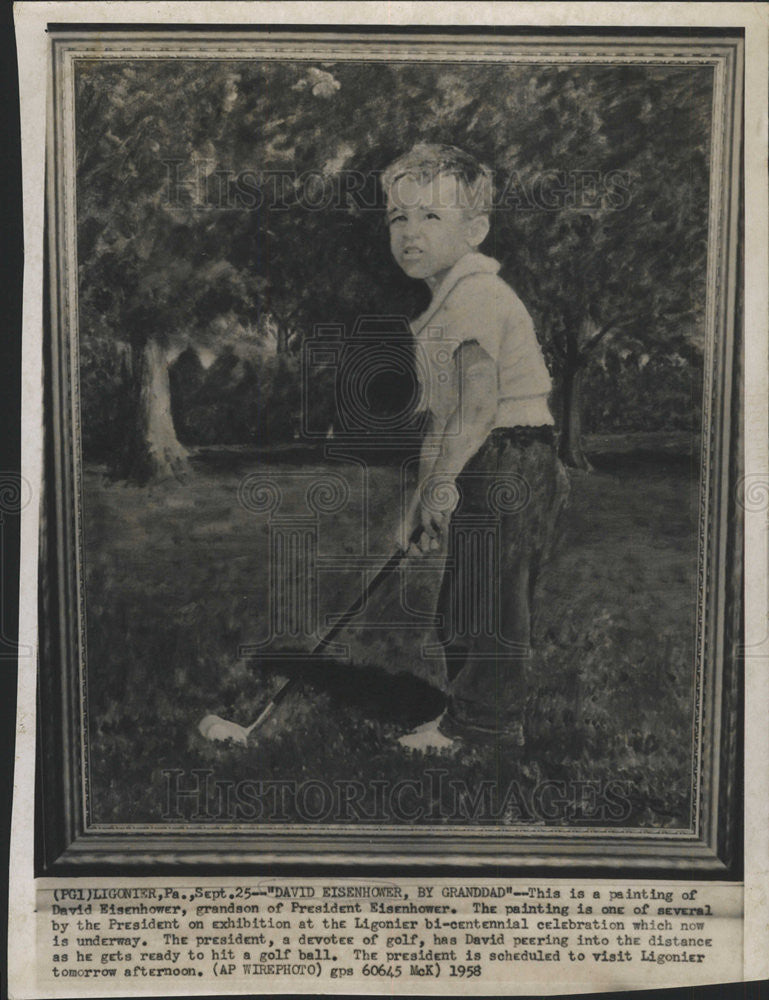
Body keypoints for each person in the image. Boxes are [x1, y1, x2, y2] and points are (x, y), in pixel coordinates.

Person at [381, 143, 568, 751]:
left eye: (431, 217)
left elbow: (481, 406)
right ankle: (465, 717)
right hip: (485, 457)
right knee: (464, 596)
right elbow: (445, 415)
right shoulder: (444, 302)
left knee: (492, 599)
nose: (411, 234)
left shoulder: (477, 297)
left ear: (476, 228)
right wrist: (425, 492)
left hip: (513, 456)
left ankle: (484, 724)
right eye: (398, 218)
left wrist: (444, 482)